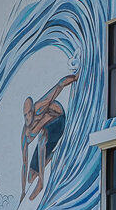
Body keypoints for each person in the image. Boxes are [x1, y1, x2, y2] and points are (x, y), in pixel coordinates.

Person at [21, 73, 77, 202]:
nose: (28, 117)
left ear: (33, 110)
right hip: (48, 135)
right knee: (30, 177)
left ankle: (41, 182)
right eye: (25, 115)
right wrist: (23, 191)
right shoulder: (25, 134)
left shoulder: (40, 107)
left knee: (42, 136)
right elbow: (24, 163)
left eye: (29, 113)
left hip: (58, 120)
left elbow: (59, 86)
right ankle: (51, 155)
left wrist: (75, 77)